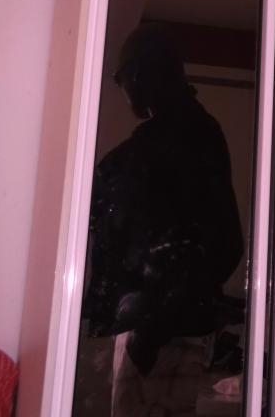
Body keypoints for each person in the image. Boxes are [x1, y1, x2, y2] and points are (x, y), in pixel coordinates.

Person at [82, 22, 244, 416]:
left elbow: (221, 244)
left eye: (122, 79)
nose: (124, 91)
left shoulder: (183, 138)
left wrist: (152, 332)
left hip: (164, 337)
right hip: (158, 332)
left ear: (139, 74)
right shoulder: (170, 138)